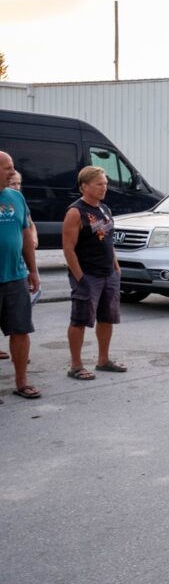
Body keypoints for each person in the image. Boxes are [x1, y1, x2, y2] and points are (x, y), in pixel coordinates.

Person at [61, 166, 126, 380]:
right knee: (80, 320)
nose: (104, 187)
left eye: (105, 183)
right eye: (99, 184)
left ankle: (103, 360)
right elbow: (68, 249)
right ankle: (76, 365)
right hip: (88, 275)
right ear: (84, 186)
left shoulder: (105, 209)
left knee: (107, 318)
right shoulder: (75, 212)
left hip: (109, 273)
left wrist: (115, 265)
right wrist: (79, 277)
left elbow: (107, 240)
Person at [0, 151, 41, 400]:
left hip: (15, 276)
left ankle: (21, 381)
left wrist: (33, 270)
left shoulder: (16, 197)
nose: (12, 172)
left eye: (13, 167)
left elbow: (26, 236)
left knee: (20, 330)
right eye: (7, 168)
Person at [9, 171, 37, 250]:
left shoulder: (20, 201)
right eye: (13, 184)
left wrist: (34, 238)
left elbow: (31, 224)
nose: (17, 187)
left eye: (19, 183)